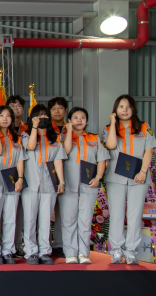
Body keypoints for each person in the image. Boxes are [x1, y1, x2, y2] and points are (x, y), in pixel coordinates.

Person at [102, 95, 155, 264]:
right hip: (115, 177)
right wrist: (112, 124)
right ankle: (116, 250)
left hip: (138, 177)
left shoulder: (144, 127)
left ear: (133, 109)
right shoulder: (107, 129)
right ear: (115, 110)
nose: (124, 110)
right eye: (121, 107)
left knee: (134, 214)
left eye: (128, 106)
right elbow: (110, 145)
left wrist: (143, 172)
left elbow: (148, 150)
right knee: (116, 214)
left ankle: (131, 250)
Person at [60, 107, 109, 264]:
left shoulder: (94, 139)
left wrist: (98, 177)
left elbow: (102, 160)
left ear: (87, 120)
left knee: (85, 220)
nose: (79, 120)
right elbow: (65, 152)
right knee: (69, 220)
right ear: (69, 120)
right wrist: (68, 132)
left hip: (89, 185)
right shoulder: (63, 138)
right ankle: (70, 253)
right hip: (69, 185)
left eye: (82, 117)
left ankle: (83, 253)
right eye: (75, 117)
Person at [21, 104, 66, 265]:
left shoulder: (55, 138)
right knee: (30, 219)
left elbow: (58, 161)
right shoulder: (25, 135)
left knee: (46, 220)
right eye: (38, 115)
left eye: (45, 115)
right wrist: (34, 128)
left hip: (49, 185)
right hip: (31, 185)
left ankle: (45, 251)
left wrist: (61, 181)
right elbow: (31, 146)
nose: (42, 118)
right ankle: (31, 251)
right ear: (32, 117)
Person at [0, 106, 26, 265]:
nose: (5, 118)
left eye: (8, 116)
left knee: (10, 218)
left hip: (12, 181)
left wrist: (20, 178)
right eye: (1, 115)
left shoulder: (17, 138)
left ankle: (8, 249)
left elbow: (20, 160)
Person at [6, 95, 28, 258]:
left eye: (19, 105)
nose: (16, 108)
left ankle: (18, 244)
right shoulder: (2, 129)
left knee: (20, 213)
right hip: (6, 174)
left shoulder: (29, 129)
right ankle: (4, 245)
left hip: (26, 175)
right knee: (5, 213)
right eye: (12, 106)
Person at [48, 96, 69, 259]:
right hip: (49, 174)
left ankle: (60, 244)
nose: (57, 111)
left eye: (60, 108)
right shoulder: (46, 129)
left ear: (66, 110)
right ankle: (46, 244)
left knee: (64, 212)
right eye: (54, 108)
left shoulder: (72, 128)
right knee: (46, 212)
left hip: (69, 174)